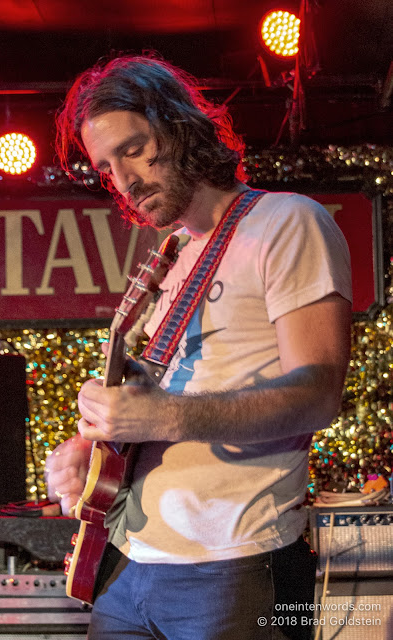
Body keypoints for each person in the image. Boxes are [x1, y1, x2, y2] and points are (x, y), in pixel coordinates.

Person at [46, 54, 352, 640]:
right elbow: (156, 403)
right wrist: (92, 448)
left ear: (180, 126)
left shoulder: (287, 221)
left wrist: (165, 416)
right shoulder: (169, 256)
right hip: (129, 563)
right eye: (106, 167)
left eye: (134, 148)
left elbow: (318, 394)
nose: (125, 180)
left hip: (234, 563)